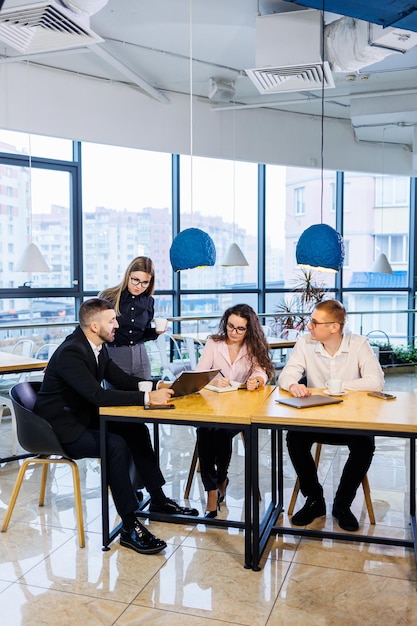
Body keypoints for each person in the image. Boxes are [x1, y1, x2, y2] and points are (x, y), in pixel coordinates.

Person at [34, 298, 199, 557]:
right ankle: (130, 526)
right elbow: (97, 397)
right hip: (58, 429)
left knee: (136, 429)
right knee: (115, 445)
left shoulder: (98, 346)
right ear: (93, 325)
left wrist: (156, 386)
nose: (117, 324)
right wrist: (146, 399)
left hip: (81, 417)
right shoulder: (72, 352)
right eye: (111, 320)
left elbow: (120, 379)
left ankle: (157, 498)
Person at [278, 299, 384, 532]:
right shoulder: (305, 343)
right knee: (294, 438)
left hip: (352, 419)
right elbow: (285, 376)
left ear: (334, 327)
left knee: (365, 444)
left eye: (315, 322)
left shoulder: (359, 344)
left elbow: (376, 381)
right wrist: (293, 385)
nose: (309, 326)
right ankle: (315, 499)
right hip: (317, 418)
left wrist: (337, 387)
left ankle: (342, 504)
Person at [195, 304, 274, 517]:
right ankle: (212, 488)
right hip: (212, 404)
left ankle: (222, 479)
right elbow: (200, 374)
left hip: (240, 407)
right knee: (203, 430)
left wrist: (257, 379)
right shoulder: (214, 343)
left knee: (221, 433)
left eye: (240, 329)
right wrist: (213, 382)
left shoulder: (253, 346)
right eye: (231, 326)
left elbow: (262, 371)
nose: (234, 332)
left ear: (249, 329)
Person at [98, 256, 165, 379]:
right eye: (135, 280)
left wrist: (156, 332)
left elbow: (143, 333)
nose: (139, 286)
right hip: (114, 355)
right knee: (115, 397)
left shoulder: (148, 301)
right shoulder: (108, 296)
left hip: (141, 356)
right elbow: (98, 330)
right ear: (128, 275)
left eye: (145, 282)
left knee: (145, 396)